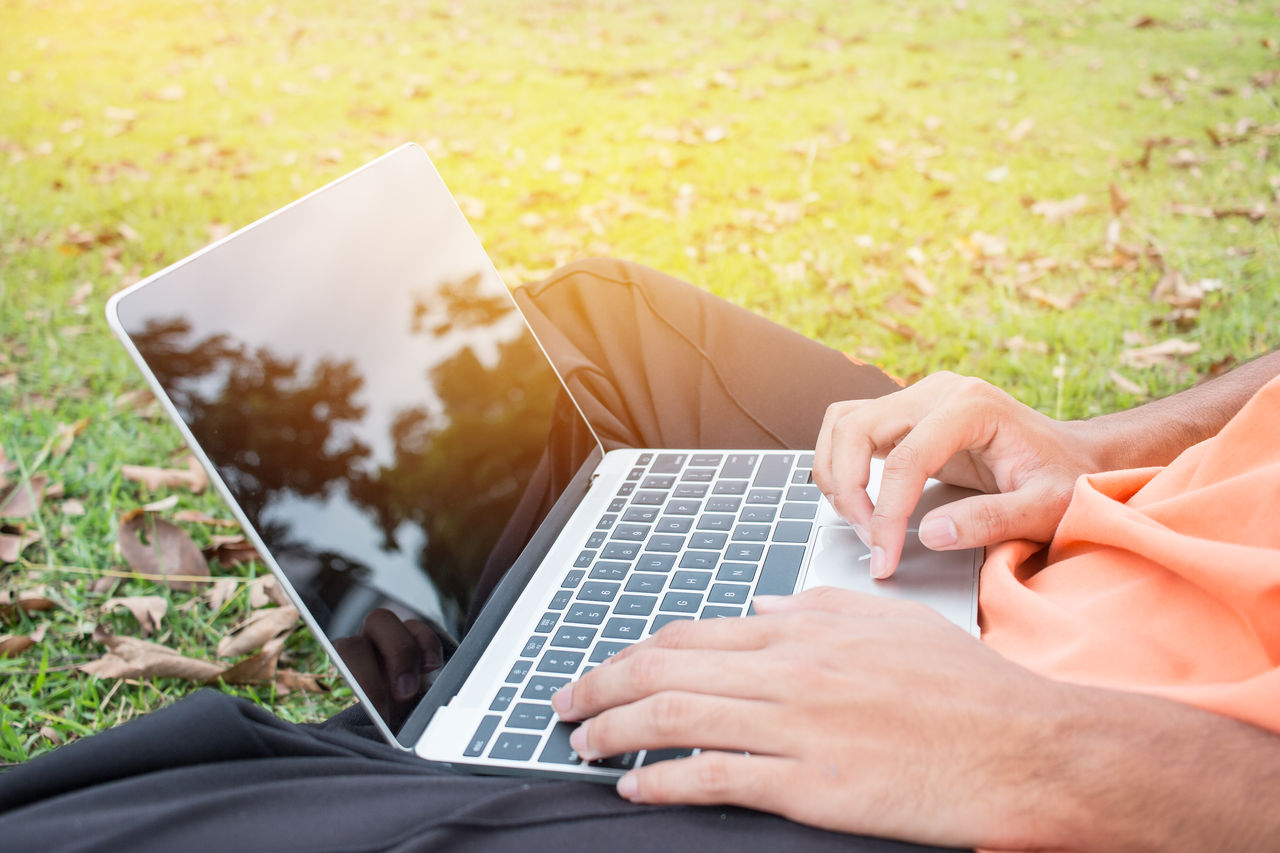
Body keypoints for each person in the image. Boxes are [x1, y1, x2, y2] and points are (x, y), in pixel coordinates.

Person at [1, 258, 1278, 852]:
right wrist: (1094, 453)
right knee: (590, 331)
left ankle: (441, 736)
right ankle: (467, 677)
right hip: (1092, 539)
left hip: (1108, 762)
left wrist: (1062, 750)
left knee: (155, 826)